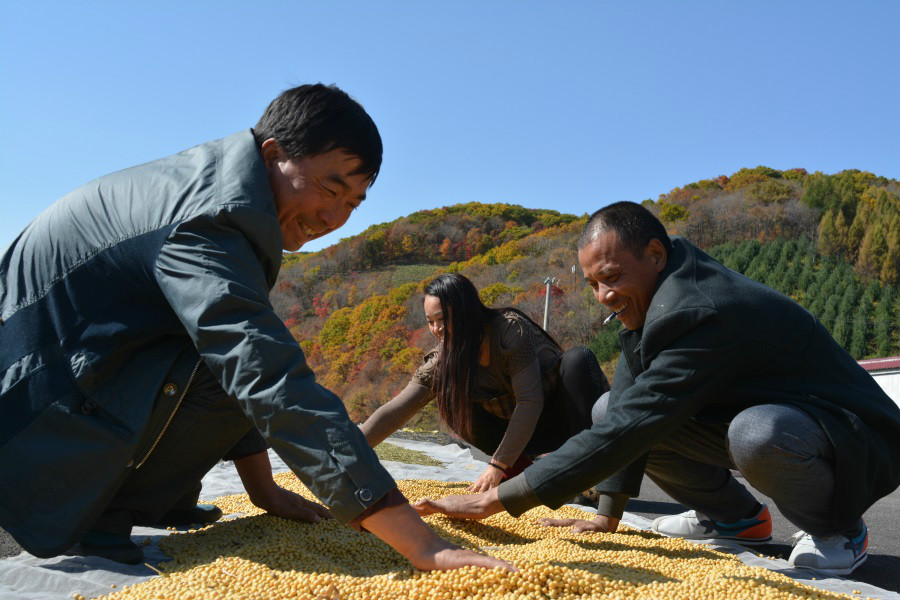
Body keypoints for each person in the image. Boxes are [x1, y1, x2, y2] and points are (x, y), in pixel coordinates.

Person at [0, 84, 508, 572]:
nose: (334, 217)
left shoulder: (223, 189)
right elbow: (264, 374)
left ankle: (135, 498)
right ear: (272, 154)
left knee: (235, 354)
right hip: (26, 408)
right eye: (330, 188)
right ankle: (99, 513)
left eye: (352, 204)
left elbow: (238, 358)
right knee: (252, 360)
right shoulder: (212, 219)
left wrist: (263, 490)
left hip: (76, 367)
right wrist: (421, 544)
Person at [414, 201, 900, 576]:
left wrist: (495, 499)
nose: (604, 295)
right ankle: (736, 519)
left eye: (611, 277)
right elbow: (625, 408)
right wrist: (608, 515)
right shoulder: (651, 296)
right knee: (607, 407)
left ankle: (839, 531)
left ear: (654, 254)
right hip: (774, 423)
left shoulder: (698, 308)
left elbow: (640, 421)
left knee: (757, 432)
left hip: (852, 436)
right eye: (592, 284)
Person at [361, 273, 610, 492]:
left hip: (564, 421)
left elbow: (529, 401)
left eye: (443, 319)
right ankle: (523, 475)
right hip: (518, 438)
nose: (437, 329)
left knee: (579, 359)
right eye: (430, 322)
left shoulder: (508, 333)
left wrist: (496, 464)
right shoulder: (444, 359)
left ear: (466, 312)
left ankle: (592, 476)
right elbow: (398, 409)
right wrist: (350, 449)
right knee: (450, 399)